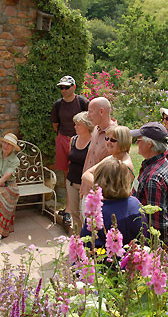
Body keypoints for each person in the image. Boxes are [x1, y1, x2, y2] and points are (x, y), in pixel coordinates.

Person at [80, 158, 147, 248]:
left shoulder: (97, 214)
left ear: (99, 181)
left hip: (107, 260)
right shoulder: (136, 204)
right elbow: (145, 239)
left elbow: (87, 248)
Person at [130, 122, 168, 248]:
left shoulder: (153, 179)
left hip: (148, 247)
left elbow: (156, 223)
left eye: (138, 140)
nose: (136, 143)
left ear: (149, 144)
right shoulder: (159, 162)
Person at [50, 75, 89, 217]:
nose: (63, 90)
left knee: (81, 171)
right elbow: (55, 125)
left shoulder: (83, 102)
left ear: (74, 87)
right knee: (67, 173)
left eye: (66, 87)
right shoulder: (58, 105)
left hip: (81, 141)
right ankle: (69, 207)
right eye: (61, 87)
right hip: (63, 139)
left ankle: (82, 204)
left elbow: (91, 122)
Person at [80, 96, 117, 197]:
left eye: (90, 112)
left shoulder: (115, 136)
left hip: (102, 196)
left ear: (101, 112)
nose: (88, 116)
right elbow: (89, 159)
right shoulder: (96, 129)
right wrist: (83, 187)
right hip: (87, 191)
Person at [63, 111, 94, 233]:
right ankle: (77, 241)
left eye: (78, 124)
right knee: (75, 215)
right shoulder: (73, 140)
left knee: (84, 215)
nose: (75, 127)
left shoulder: (93, 143)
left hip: (84, 185)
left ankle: (87, 243)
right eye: (75, 124)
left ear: (87, 125)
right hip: (71, 182)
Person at [81, 125, 135, 192]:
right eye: (107, 139)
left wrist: (98, 187)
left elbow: (114, 192)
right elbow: (86, 175)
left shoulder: (125, 165)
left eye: (113, 140)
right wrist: (99, 187)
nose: (108, 142)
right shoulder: (111, 158)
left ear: (123, 142)